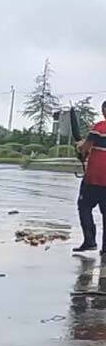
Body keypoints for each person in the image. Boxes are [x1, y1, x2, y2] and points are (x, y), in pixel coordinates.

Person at [74, 100, 106, 253]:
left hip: (94, 178)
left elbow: (84, 148)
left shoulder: (99, 128)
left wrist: (80, 144)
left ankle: (90, 240)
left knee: (84, 207)